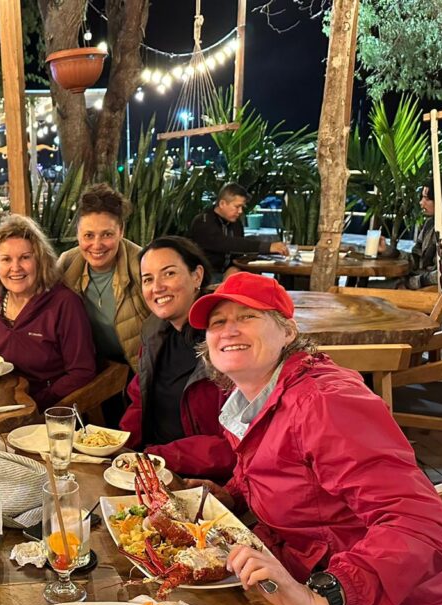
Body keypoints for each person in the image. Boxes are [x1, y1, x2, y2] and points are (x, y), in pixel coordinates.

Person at [186, 272, 442, 605]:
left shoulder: (324, 400)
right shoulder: (257, 401)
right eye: (218, 321)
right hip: (345, 601)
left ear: (287, 330)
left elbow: (424, 526)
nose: (229, 329)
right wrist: (218, 495)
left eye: (248, 316)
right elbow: (282, 482)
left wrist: (322, 594)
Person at [118, 237, 234, 481]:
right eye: (148, 279)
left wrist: (161, 456)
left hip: (204, 479)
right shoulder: (154, 332)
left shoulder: (228, 342)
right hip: (151, 467)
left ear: (197, 276)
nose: (157, 287)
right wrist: (119, 447)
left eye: (168, 273)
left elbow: (236, 444)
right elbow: (140, 400)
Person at [0, 214, 97, 409]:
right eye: (6, 259)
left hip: (45, 410)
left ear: (40, 260)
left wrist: (35, 404)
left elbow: (82, 371)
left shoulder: (65, 304)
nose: (15, 268)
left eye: (25, 258)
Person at [57, 183, 149, 372]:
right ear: (77, 234)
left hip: (140, 369)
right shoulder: (66, 264)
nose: (97, 245)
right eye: (88, 235)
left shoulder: (143, 264)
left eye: (107, 234)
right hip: (92, 367)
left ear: (121, 231)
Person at [188, 182, 288, 280]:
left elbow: (238, 252)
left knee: (259, 281)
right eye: (237, 206)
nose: (240, 211)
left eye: (241, 207)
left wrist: (234, 268)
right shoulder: (203, 221)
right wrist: (267, 247)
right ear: (222, 203)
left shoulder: (236, 223)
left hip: (230, 271)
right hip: (205, 275)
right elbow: (225, 243)